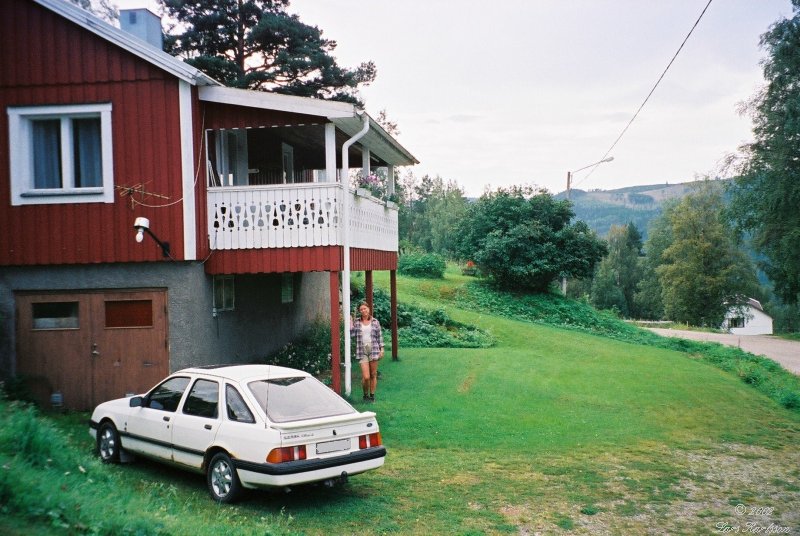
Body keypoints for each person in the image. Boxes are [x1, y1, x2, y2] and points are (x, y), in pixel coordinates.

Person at [350, 302, 384, 402]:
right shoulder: (357, 322)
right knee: (366, 377)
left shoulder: (375, 321)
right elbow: (352, 334)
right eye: (361, 309)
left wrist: (381, 349)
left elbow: (379, 336)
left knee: (373, 374)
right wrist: (350, 322)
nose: (363, 311)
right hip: (362, 350)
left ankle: (372, 396)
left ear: (368, 309)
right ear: (360, 311)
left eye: (365, 308)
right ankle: (365, 395)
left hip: (373, 349)